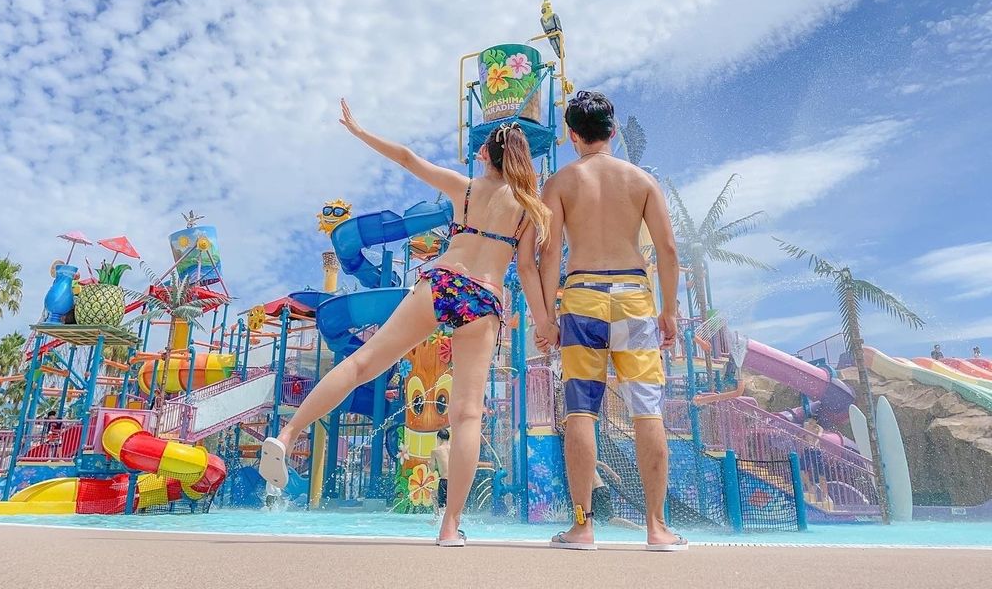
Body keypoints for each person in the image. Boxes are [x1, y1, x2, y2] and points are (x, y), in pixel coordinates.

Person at [259, 99, 551, 547]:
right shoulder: (531, 207)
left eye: (479, 152)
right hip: (484, 298)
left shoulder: (466, 189)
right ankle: (450, 527)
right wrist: (544, 322)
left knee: (363, 363)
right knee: (468, 412)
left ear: (488, 155)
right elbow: (528, 270)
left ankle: (287, 432)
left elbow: (407, 159)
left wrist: (360, 132)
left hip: (443, 281)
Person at [537, 90, 685, 552]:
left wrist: (546, 316)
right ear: (613, 131)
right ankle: (657, 529)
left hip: (581, 298)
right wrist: (669, 311)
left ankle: (582, 528)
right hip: (634, 298)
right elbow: (668, 251)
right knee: (647, 409)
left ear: (572, 135)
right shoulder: (641, 181)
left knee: (581, 409)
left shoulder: (560, 183)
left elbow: (548, 255)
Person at [592, 462, 642, 530]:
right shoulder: (582, 459)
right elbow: (602, 465)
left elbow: (602, 465)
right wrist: (615, 475)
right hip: (595, 492)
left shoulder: (583, 459)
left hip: (598, 492)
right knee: (592, 517)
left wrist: (615, 475)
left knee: (610, 519)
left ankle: (638, 528)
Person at [430, 428, 451, 518]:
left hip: (444, 481)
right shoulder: (454, 449)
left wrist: (429, 464)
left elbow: (432, 469)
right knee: (452, 503)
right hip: (455, 481)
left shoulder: (436, 451)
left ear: (439, 438)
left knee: (441, 505)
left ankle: (437, 518)